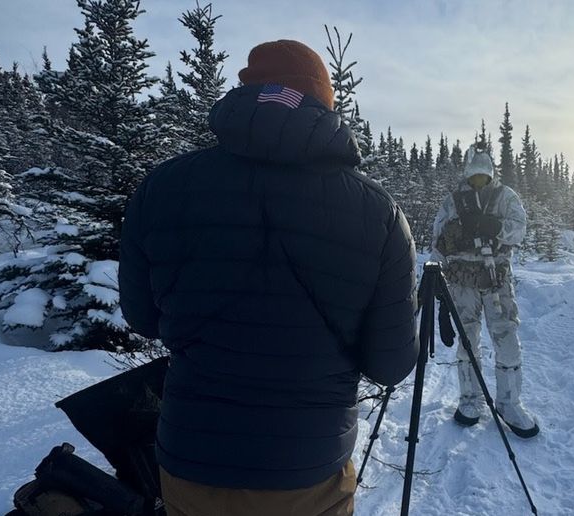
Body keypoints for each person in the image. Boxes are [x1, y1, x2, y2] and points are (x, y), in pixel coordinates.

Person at [118, 40, 419, 516]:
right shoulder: (378, 212)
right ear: (324, 103)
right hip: (309, 468)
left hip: (192, 458)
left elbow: (142, 318)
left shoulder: (162, 186)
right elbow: (391, 363)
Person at [431, 144, 539, 438]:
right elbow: (438, 239)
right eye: (474, 175)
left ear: (491, 174)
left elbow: (519, 229)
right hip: (462, 282)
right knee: (467, 342)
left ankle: (509, 403)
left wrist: (495, 227)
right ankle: (470, 400)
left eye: (483, 175)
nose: (479, 180)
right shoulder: (453, 202)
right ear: (467, 175)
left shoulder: (505, 197)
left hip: (496, 281)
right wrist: (435, 281)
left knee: (507, 340)